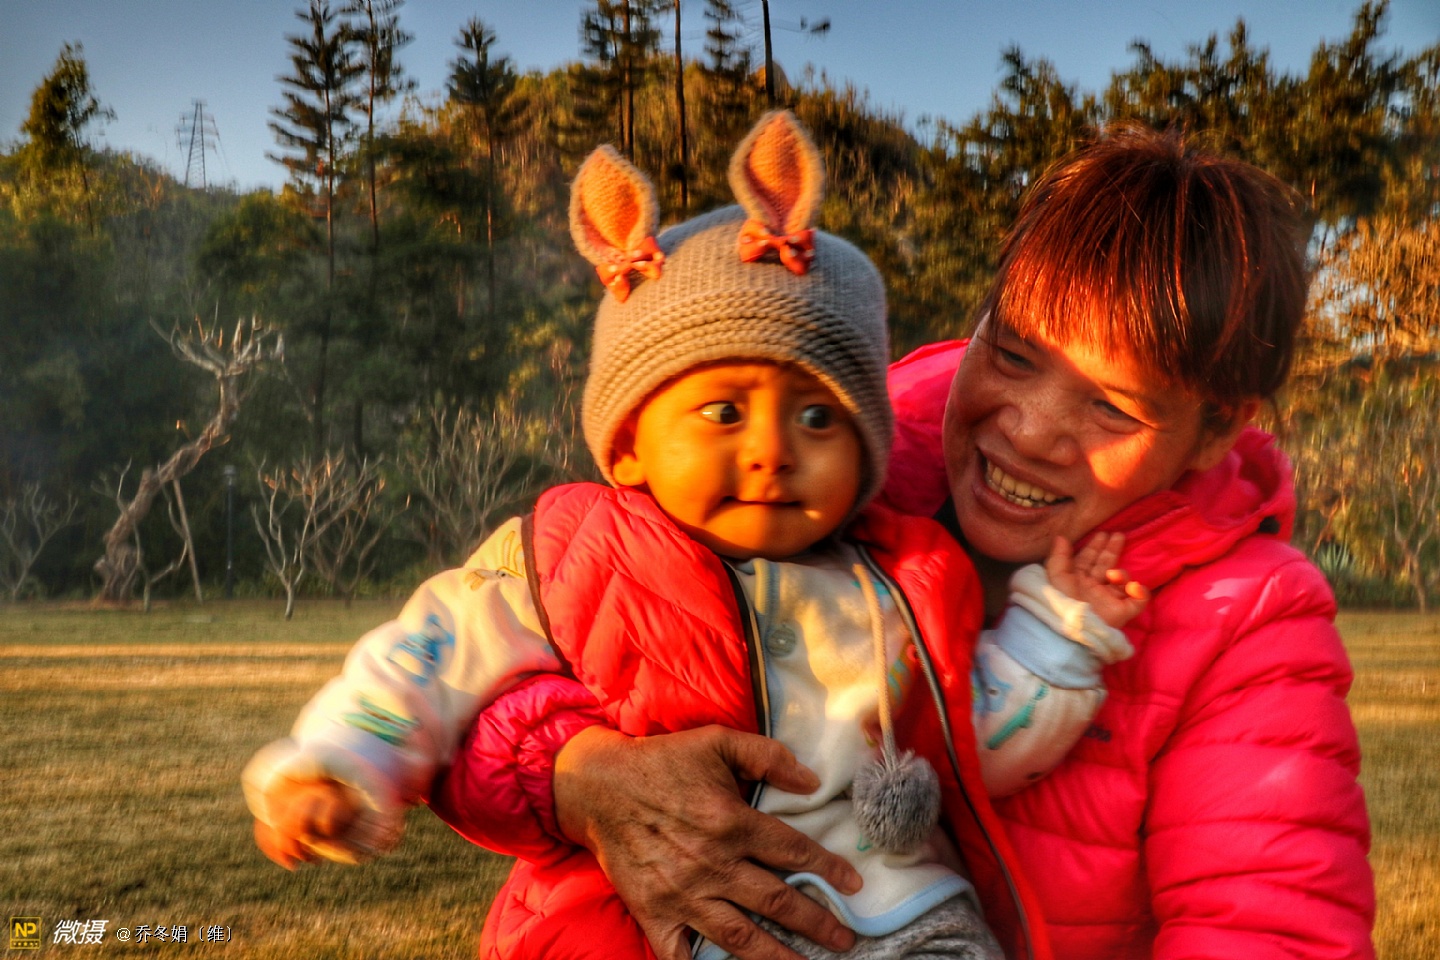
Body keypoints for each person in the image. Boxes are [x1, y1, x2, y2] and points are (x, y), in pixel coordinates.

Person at [430, 123, 1376, 960]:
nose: (1030, 430)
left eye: (1112, 409)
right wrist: (578, 774)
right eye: (1013, 354)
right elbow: (477, 672)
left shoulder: (1250, 621)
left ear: (1216, 429)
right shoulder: (818, 457)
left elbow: (1273, 930)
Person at [243, 112, 1148, 960]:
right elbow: (421, 662)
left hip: (899, 915)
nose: (772, 450)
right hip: (656, 920)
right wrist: (339, 763)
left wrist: (1057, 636)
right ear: (631, 442)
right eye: (723, 412)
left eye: (817, 418)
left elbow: (971, 734)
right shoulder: (574, 553)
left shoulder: (902, 580)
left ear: (867, 453)